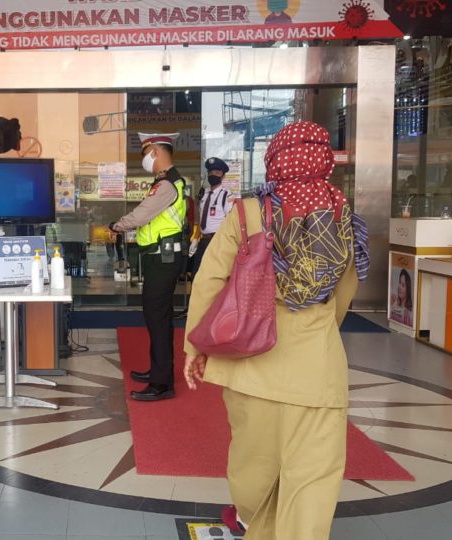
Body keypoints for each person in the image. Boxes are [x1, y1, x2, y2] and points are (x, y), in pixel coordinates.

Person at [184, 121, 370, 539]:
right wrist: (318, 332)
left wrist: (195, 347)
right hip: (318, 370)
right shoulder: (344, 215)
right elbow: (345, 290)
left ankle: (250, 517)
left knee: (254, 466)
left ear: (275, 161)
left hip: (252, 361)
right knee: (313, 479)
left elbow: (210, 281)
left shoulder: (249, 212)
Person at [109, 132, 188, 402]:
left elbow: (142, 215)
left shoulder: (166, 184)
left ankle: (162, 384)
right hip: (161, 258)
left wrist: (116, 226)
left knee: (157, 318)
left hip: (163, 259)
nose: (145, 158)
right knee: (159, 319)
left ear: (155, 150)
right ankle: (159, 372)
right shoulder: (169, 182)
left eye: (145, 153)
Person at [191, 157, 236, 275]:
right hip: (203, 241)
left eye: (217, 173)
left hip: (218, 242)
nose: (213, 175)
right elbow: (201, 219)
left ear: (223, 176)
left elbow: (231, 222)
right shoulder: (204, 193)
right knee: (197, 275)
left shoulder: (226, 195)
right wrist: (195, 238)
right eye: (210, 172)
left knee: (215, 276)